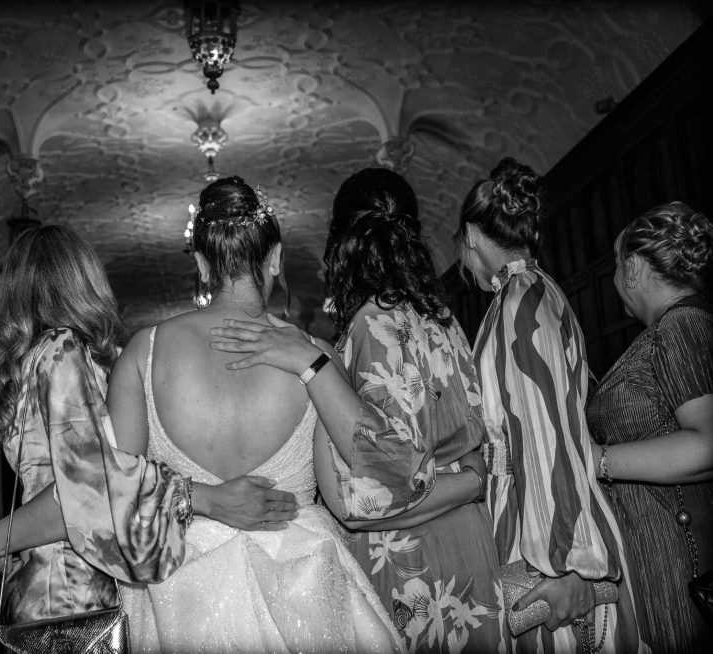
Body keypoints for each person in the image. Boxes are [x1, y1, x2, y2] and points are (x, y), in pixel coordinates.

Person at [210, 168, 507, 653]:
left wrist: (316, 366)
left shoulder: (371, 326)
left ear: (341, 243)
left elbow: (365, 498)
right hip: (470, 547)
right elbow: (476, 441)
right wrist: (472, 482)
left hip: (414, 567)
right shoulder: (445, 321)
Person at [107, 176, 402, 653]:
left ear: (202, 264)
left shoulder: (144, 352)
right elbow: (379, 467)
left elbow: (111, 493)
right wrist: (314, 364)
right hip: (305, 582)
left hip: (182, 599)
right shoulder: (314, 354)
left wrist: (201, 498)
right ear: (276, 258)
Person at [0, 224, 299, 624]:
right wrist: (204, 498)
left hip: (63, 585)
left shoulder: (47, 359)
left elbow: (76, 484)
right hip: (72, 594)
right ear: (84, 279)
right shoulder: (63, 353)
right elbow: (86, 487)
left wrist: (1, 537)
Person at [456, 158, 645, 652]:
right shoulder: (528, 294)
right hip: (526, 515)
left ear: (473, 235)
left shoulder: (522, 304)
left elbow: (548, 437)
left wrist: (571, 564)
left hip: (543, 536)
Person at [586, 202, 713, 653]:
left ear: (634, 268)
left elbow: (706, 446)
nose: (616, 280)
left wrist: (595, 459)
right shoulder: (672, 328)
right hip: (657, 557)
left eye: (618, 265)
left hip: (676, 563)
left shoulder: (680, 326)